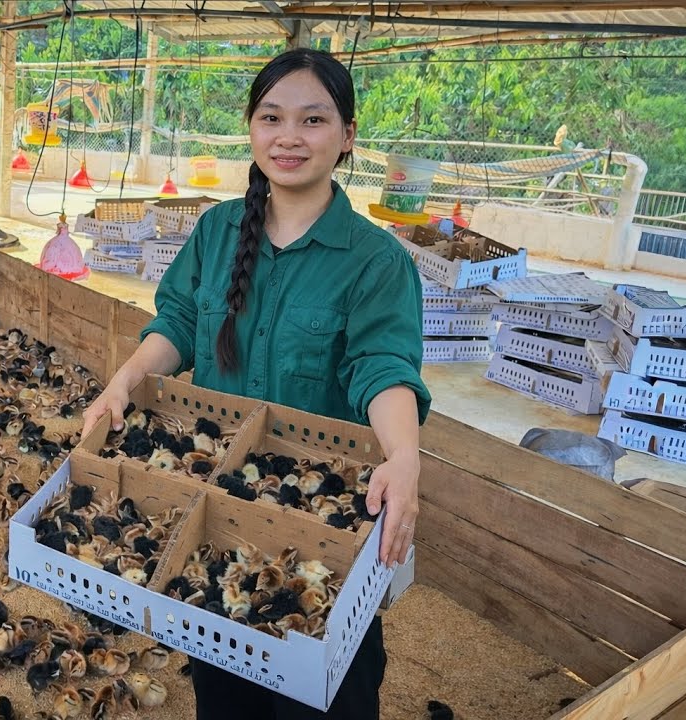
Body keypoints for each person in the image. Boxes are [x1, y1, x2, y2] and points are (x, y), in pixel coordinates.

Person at [80, 48, 431, 720]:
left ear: (348, 135)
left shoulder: (374, 260)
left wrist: (404, 456)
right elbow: (179, 323)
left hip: (319, 517)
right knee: (224, 692)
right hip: (220, 504)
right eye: (271, 117)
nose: (289, 137)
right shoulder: (216, 232)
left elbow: (381, 367)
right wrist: (126, 379)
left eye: (313, 119)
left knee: (329, 692)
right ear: (251, 128)